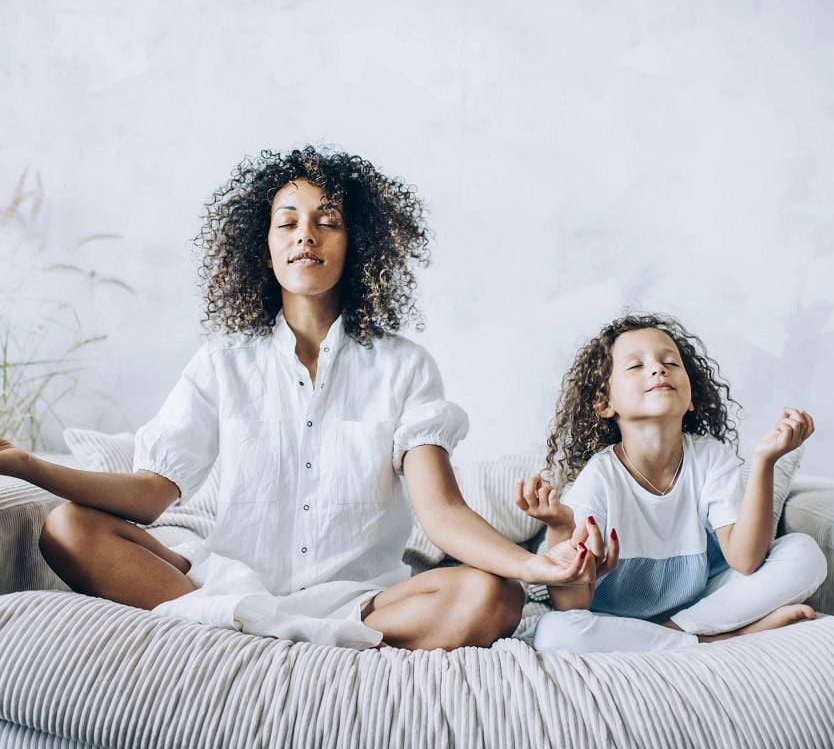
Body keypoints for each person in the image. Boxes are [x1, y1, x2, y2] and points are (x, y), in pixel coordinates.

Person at [0, 146, 609, 651]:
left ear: (358, 244)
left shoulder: (404, 367)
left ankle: (251, 632)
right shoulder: (223, 361)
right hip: (227, 580)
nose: (305, 235)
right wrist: (25, 463)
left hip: (364, 600)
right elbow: (152, 494)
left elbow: (442, 513)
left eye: (328, 220)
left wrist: (529, 567)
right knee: (67, 527)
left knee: (492, 596)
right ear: (262, 246)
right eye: (287, 220)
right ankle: (258, 621)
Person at [515, 312, 827, 653]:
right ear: (605, 403)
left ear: (690, 397)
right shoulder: (599, 478)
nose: (657, 369)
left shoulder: (711, 457)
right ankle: (718, 640)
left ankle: (676, 636)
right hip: (615, 619)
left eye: (670, 362)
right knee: (556, 632)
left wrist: (765, 461)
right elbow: (572, 606)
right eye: (636, 366)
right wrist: (560, 526)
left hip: (695, 607)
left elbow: (745, 560)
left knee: (804, 554)